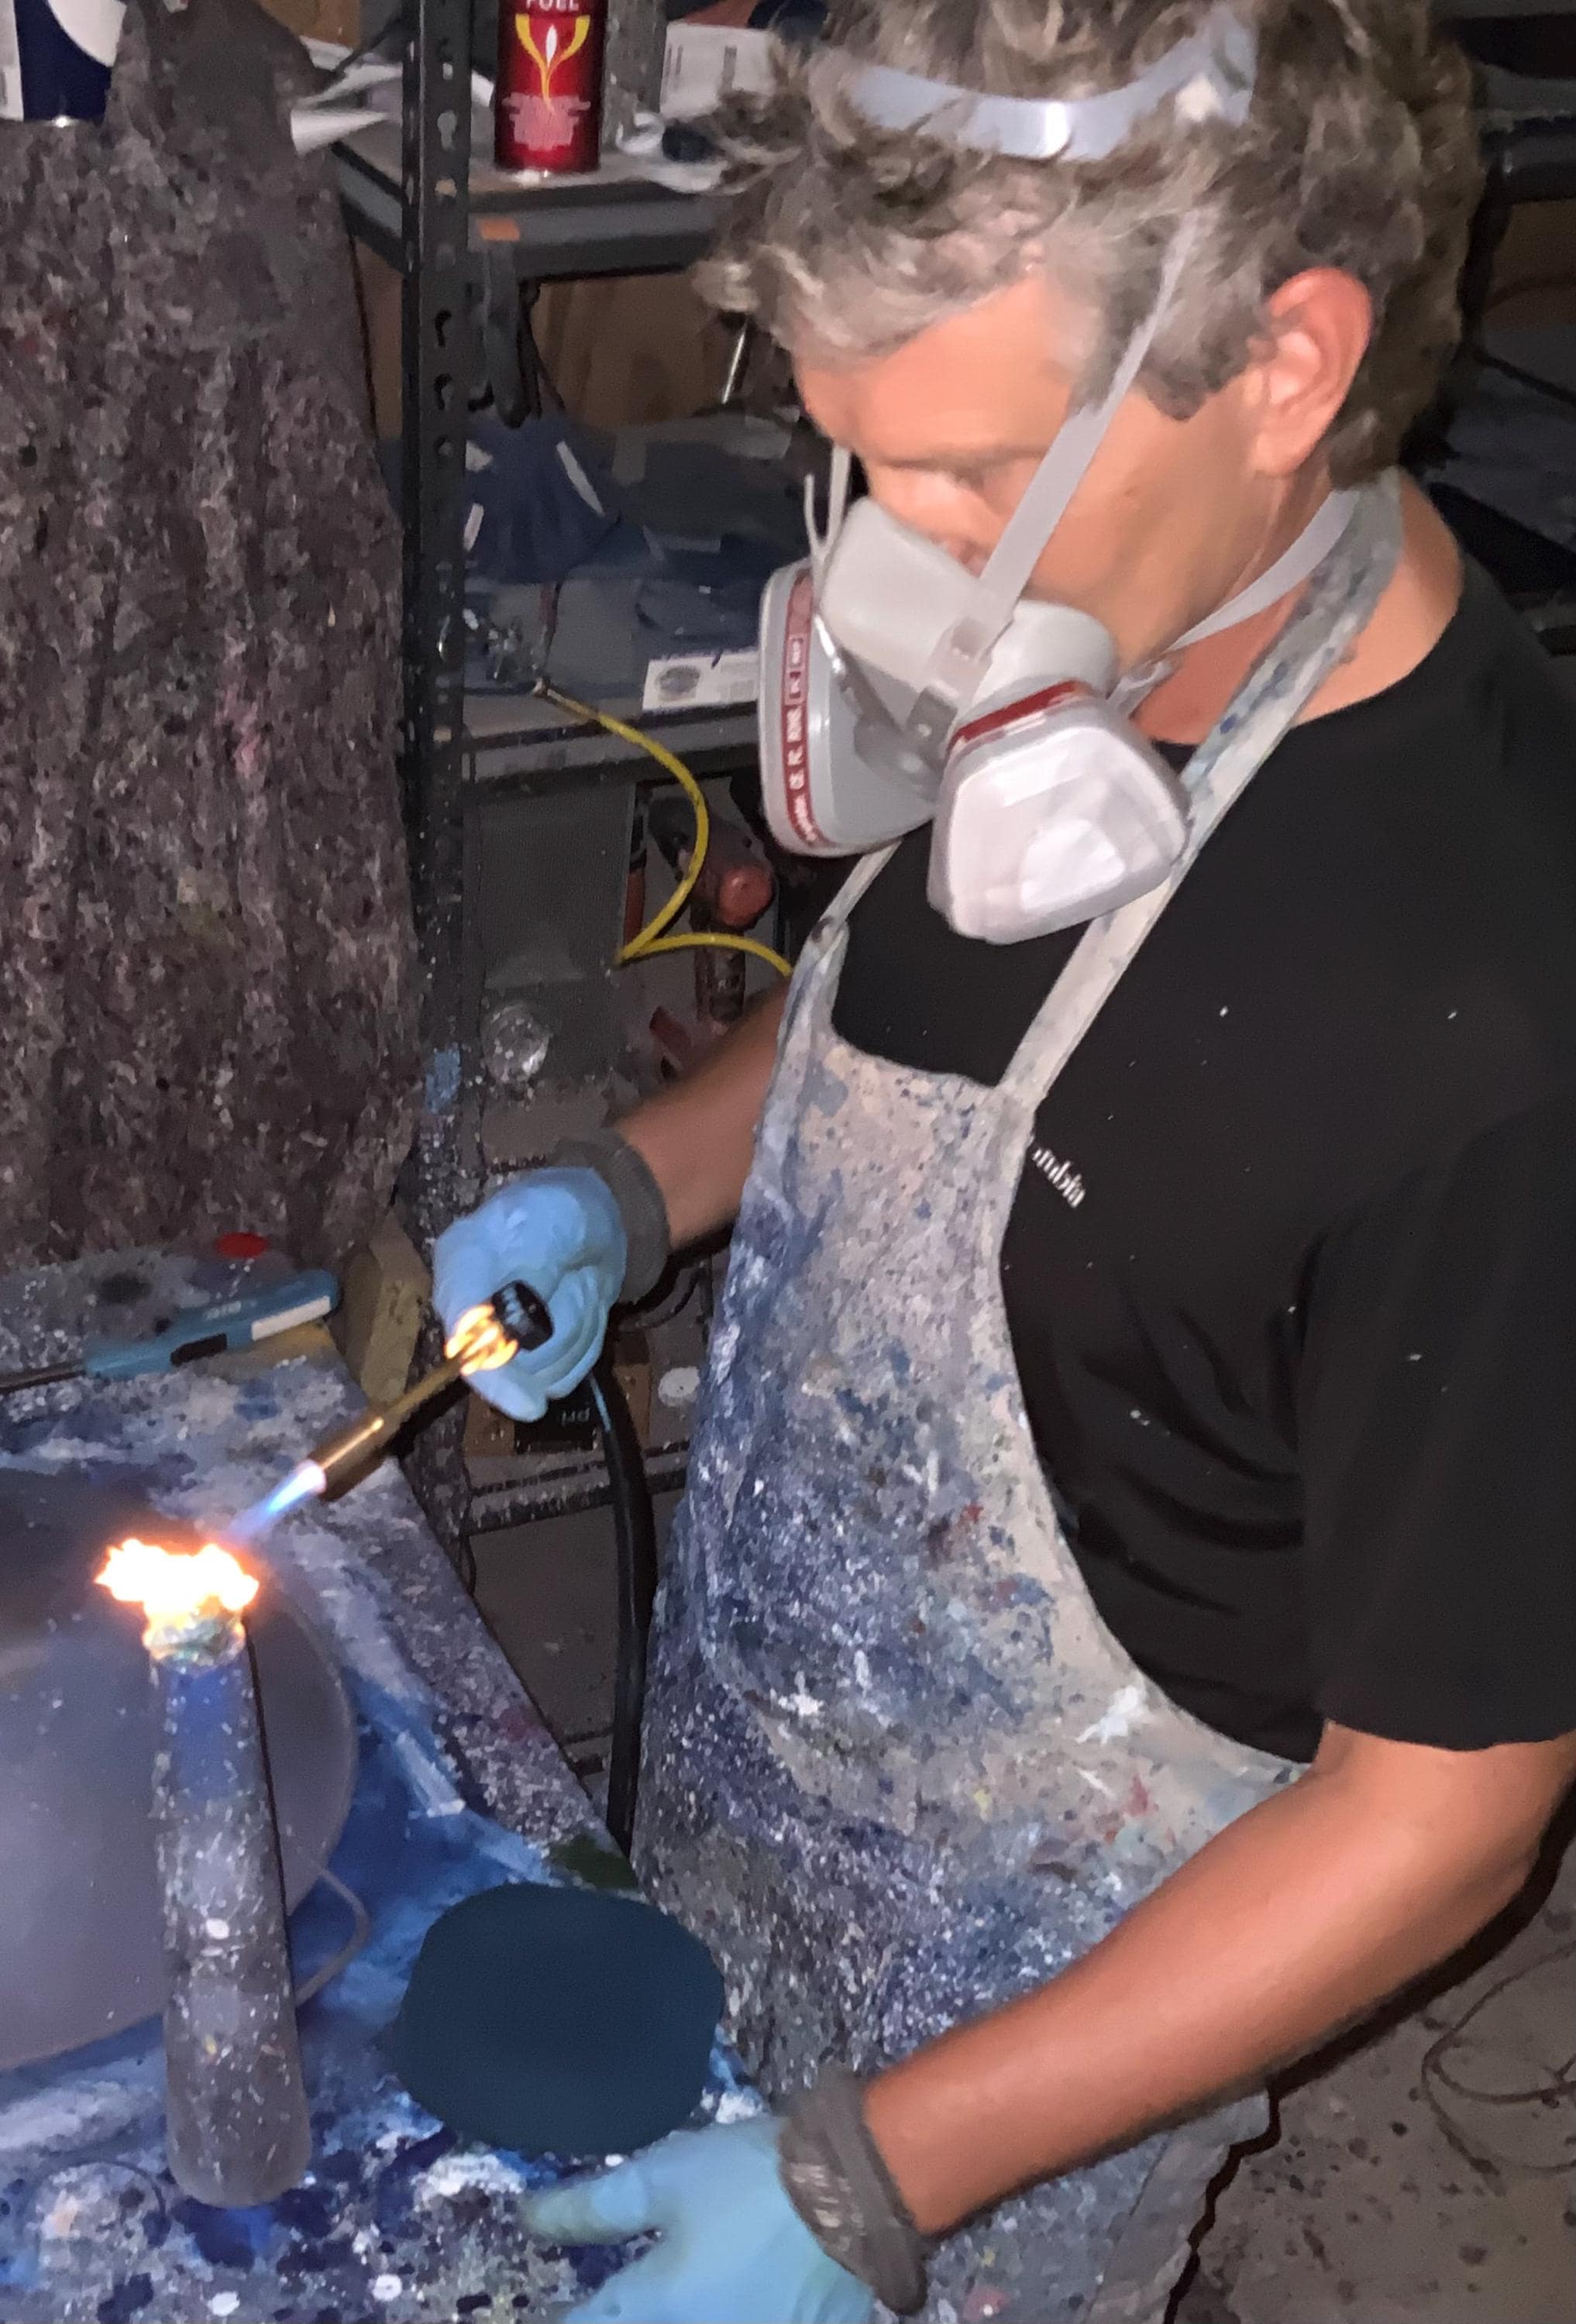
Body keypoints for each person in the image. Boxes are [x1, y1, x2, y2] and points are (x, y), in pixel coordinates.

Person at [436, 5, 1576, 2318]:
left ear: (1286, 366)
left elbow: (1442, 1809)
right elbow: (905, 1010)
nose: (896, 567)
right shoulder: (1114, 645)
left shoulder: (1486, 1027)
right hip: (769, 1801)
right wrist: (633, 1190)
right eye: (856, 464)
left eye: (963, 472)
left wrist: (876, 2180)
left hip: (1052, 2036)